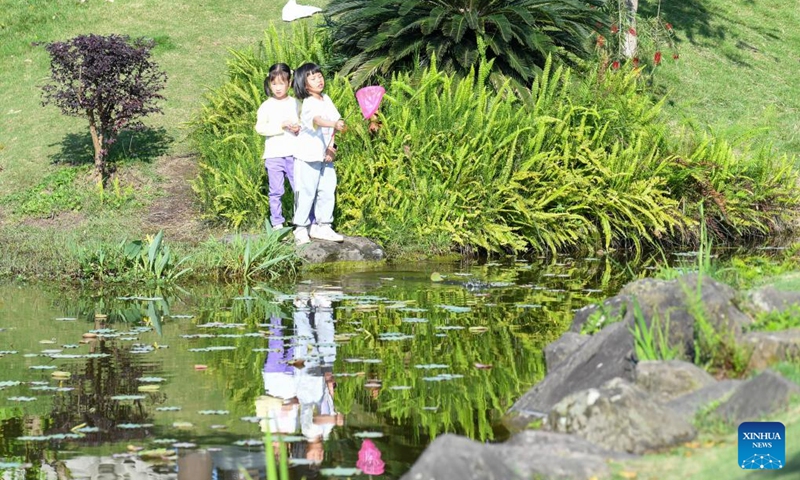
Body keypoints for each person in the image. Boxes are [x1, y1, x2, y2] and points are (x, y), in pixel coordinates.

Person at [291, 63, 346, 245]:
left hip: (325, 157)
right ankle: (300, 227)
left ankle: (323, 226)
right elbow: (318, 120)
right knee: (306, 192)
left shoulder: (326, 99)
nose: (319, 80)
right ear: (304, 85)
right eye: (312, 78)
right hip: (307, 156)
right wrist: (333, 125)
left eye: (320, 75)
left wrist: (332, 147)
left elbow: (336, 120)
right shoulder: (308, 103)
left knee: (327, 190)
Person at [255, 63, 301, 230]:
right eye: (274, 83)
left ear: (289, 83)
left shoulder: (296, 104)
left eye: (282, 83)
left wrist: (298, 129)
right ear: (269, 84)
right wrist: (280, 126)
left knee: (299, 188)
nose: (278, 88)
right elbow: (260, 128)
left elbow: (304, 124)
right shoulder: (266, 105)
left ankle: (301, 219)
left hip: (294, 153)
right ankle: (277, 222)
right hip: (274, 154)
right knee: (276, 190)